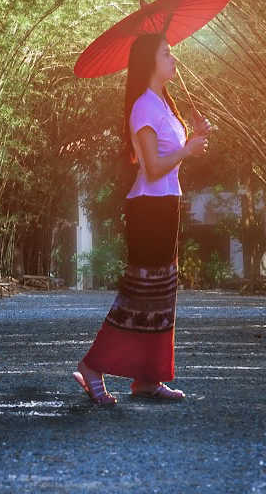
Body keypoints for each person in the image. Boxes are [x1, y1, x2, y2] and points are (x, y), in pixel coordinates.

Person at [73, 32, 210, 405]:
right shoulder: (143, 107)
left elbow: (172, 160)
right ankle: (92, 365)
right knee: (139, 295)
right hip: (148, 209)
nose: (174, 59)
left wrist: (194, 137)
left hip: (166, 206)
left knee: (163, 295)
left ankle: (147, 379)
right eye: (167, 53)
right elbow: (151, 169)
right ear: (150, 61)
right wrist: (187, 149)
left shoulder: (164, 105)